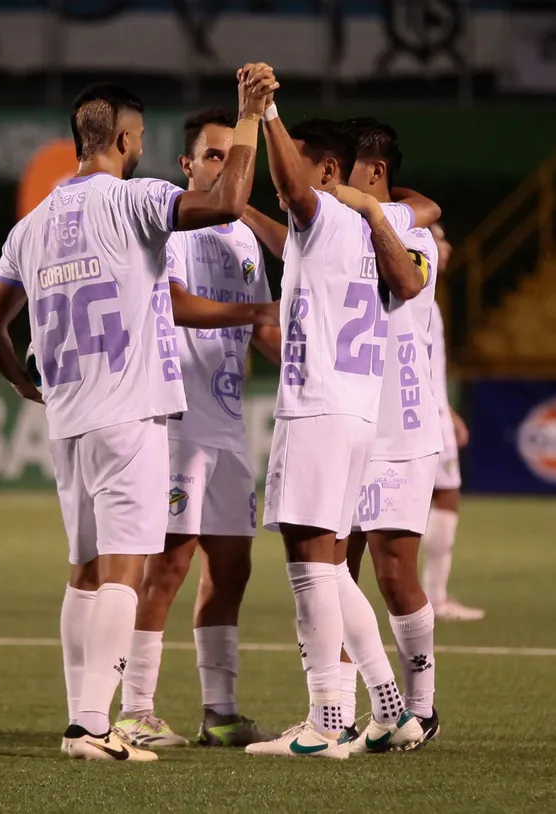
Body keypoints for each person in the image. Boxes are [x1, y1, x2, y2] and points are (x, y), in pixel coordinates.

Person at [0, 68, 279, 762]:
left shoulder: (30, 228)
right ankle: (92, 725)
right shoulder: (137, 200)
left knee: (83, 572)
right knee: (124, 572)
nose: (139, 146)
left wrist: (25, 384)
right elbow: (231, 201)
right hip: (132, 413)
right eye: (137, 137)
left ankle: (83, 717)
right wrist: (249, 119)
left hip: (69, 420)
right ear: (119, 138)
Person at [242, 81, 434, 759]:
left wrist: (264, 114)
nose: (283, 174)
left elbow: (294, 195)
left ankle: (327, 721)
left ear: (324, 168)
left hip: (318, 406)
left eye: (295, 159)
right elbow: (403, 275)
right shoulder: (355, 225)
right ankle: (389, 706)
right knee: (328, 564)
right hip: (352, 411)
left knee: (307, 564)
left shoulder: (323, 208)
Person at [116, 107, 280, 749]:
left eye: (230, 155)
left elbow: (260, 329)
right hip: (178, 421)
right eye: (212, 156)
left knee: (232, 568)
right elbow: (176, 305)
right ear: (187, 165)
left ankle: (221, 712)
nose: (222, 165)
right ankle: (136, 709)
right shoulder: (174, 224)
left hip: (229, 425)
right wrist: (258, 308)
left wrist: (303, 355)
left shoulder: (243, 234)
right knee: (169, 565)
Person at [334, 118, 442, 749]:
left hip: (401, 432)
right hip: (347, 426)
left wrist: (377, 207)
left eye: (344, 169)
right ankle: (337, 711)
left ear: (373, 174)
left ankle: (422, 706)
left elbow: (417, 230)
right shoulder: (350, 227)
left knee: (393, 572)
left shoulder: (408, 231)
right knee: (332, 567)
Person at [422, 223, 484, 621]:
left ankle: (431, 596)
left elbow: (426, 366)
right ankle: (434, 597)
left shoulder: (427, 298)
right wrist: (437, 412)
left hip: (433, 410)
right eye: (438, 237)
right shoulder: (415, 297)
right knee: (443, 496)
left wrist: (450, 411)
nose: (447, 246)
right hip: (421, 414)